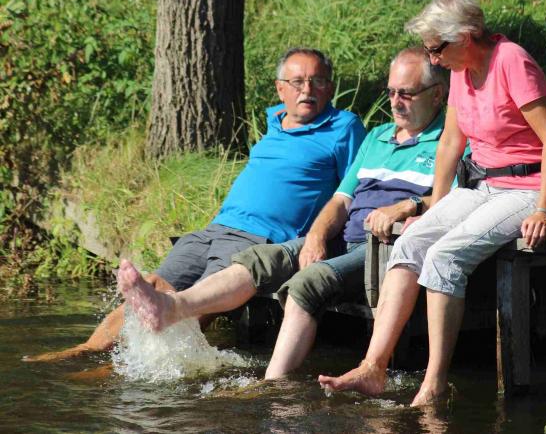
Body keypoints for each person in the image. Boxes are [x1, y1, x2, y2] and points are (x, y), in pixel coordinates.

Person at [116, 47, 447, 379]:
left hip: (383, 246)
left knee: (304, 283)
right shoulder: (377, 136)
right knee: (257, 261)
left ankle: (273, 384)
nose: (395, 101)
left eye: (406, 93)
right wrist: (316, 236)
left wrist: (409, 205)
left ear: (436, 95)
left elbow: (456, 198)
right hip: (334, 237)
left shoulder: (447, 141)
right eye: (391, 92)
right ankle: (168, 308)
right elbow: (341, 200)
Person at [24, 47, 366, 362]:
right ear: (281, 89)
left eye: (317, 81)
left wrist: (321, 237)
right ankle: (85, 350)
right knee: (153, 286)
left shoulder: (343, 127)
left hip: (258, 240)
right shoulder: (274, 122)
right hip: (213, 229)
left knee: (197, 301)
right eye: (297, 81)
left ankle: (119, 369)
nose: (307, 89)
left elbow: (352, 192)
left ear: (330, 87)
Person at [318, 0, 546, 406]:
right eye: (429, 49)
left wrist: (545, 208)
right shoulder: (458, 69)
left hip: (530, 189)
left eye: (438, 48)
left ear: (467, 35)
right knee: (411, 242)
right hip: (483, 187)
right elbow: (452, 142)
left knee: (444, 256)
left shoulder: (512, 62)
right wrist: (435, 205)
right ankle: (372, 367)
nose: (433, 59)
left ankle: (435, 383)